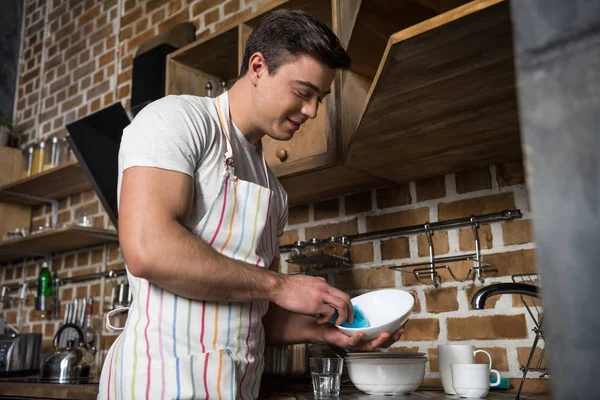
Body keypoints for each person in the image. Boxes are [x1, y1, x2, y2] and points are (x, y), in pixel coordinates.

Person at [98, 9, 404, 400]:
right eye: (303, 92)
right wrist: (280, 285)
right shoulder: (175, 121)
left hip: (237, 388)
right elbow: (148, 250)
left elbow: (255, 314)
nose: (312, 110)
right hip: (157, 384)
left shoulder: (274, 191)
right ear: (258, 67)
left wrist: (329, 333)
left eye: (320, 98)